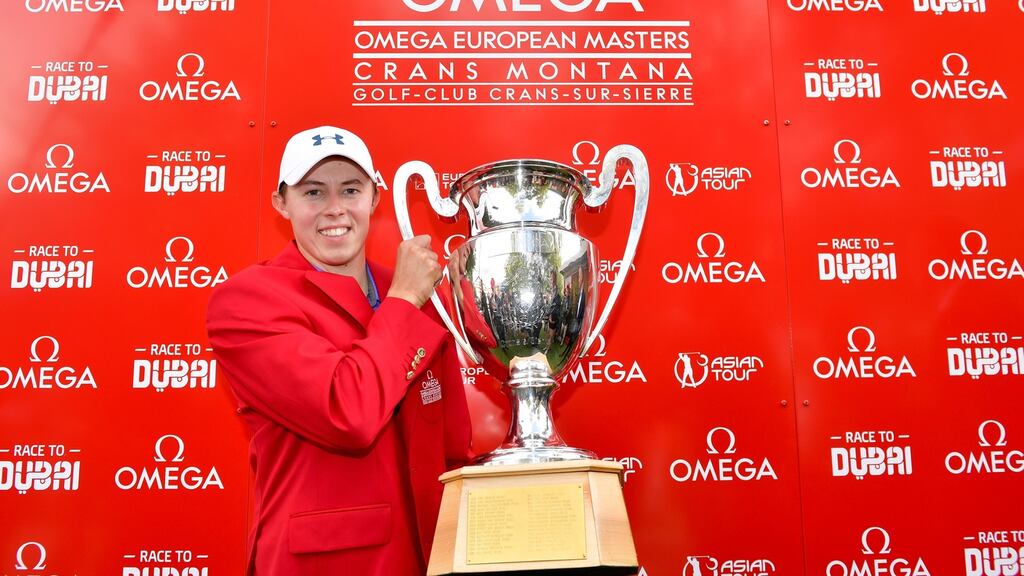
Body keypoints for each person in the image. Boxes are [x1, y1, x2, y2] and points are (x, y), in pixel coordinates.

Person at [206, 126, 472, 575]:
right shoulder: (246, 300)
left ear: (374, 198)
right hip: (326, 564)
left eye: (351, 189)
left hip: (432, 558)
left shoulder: (415, 291)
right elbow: (346, 412)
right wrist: (404, 301)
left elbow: (452, 446)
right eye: (313, 192)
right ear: (281, 203)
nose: (335, 209)